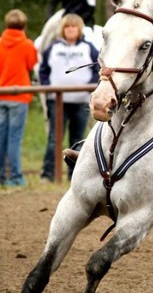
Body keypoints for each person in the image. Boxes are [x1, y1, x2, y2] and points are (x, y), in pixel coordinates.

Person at [39, 14, 99, 182]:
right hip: (56, 102)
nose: (70, 29)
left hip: (80, 101)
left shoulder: (89, 48)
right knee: (53, 139)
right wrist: (47, 87)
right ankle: (48, 174)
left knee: (77, 139)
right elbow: (43, 70)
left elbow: (98, 68)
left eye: (73, 26)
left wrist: (89, 85)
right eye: (67, 27)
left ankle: (74, 176)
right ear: (62, 29)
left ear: (79, 29)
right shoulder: (53, 47)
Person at [0, 9, 38, 186]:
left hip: (0, 96)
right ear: (23, 25)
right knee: (14, 138)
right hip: (19, 97)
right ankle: (16, 176)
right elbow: (31, 64)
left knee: (0, 137)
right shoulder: (27, 45)